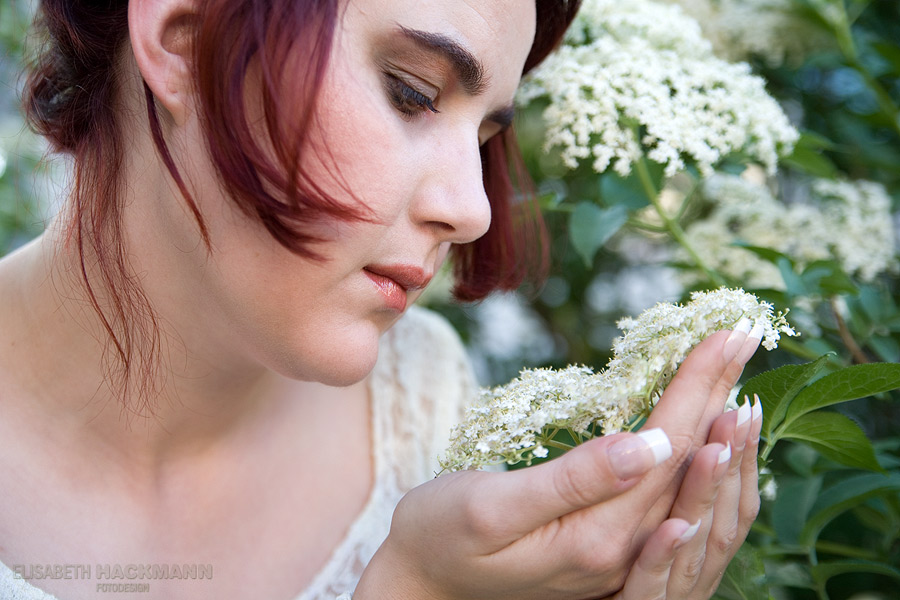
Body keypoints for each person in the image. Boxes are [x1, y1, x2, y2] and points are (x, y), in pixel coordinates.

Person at [0, 0, 764, 598]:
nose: (474, 210)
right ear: (183, 42)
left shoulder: (425, 402)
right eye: (413, 94)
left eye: (486, 138)